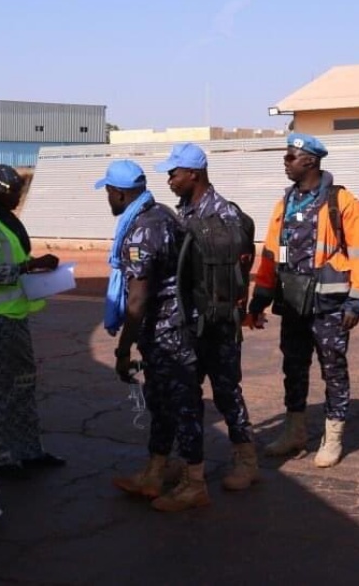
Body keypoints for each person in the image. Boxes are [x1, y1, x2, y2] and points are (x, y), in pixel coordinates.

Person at [247, 135, 359, 468]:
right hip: (292, 303)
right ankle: (294, 431)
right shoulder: (285, 202)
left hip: (329, 305)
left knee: (333, 369)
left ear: (311, 162)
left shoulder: (341, 201)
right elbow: (272, 253)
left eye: (291, 157)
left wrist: (356, 301)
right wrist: (260, 296)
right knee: (293, 367)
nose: (285, 163)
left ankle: (333, 437)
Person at [103, 160, 208, 512]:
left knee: (183, 405)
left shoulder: (142, 230)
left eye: (108, 192)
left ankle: (195, 482)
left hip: (169, 332)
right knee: (161, 404)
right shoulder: (159, 214)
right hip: (166, 329)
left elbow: (138, 297)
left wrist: (122, 348)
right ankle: (155, 472)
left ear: (120, 193)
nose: (107, 198)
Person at [156, 143, 260, 492]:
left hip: (217, 324)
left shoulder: (223, 216)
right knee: (183, 395)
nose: (169, 179)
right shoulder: (186, 212)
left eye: (174, 173)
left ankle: (246, 459)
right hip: (189, 322)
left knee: (226, 392)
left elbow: (238, 266)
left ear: (194, 174)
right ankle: (187, 467)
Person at [0, 165, 64, 476]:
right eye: (14, 192)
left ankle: (28, 451)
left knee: (22, 384)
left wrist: (33, 268)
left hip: (13, 317)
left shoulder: (3, 222)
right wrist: (29, 267)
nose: (18, 198)